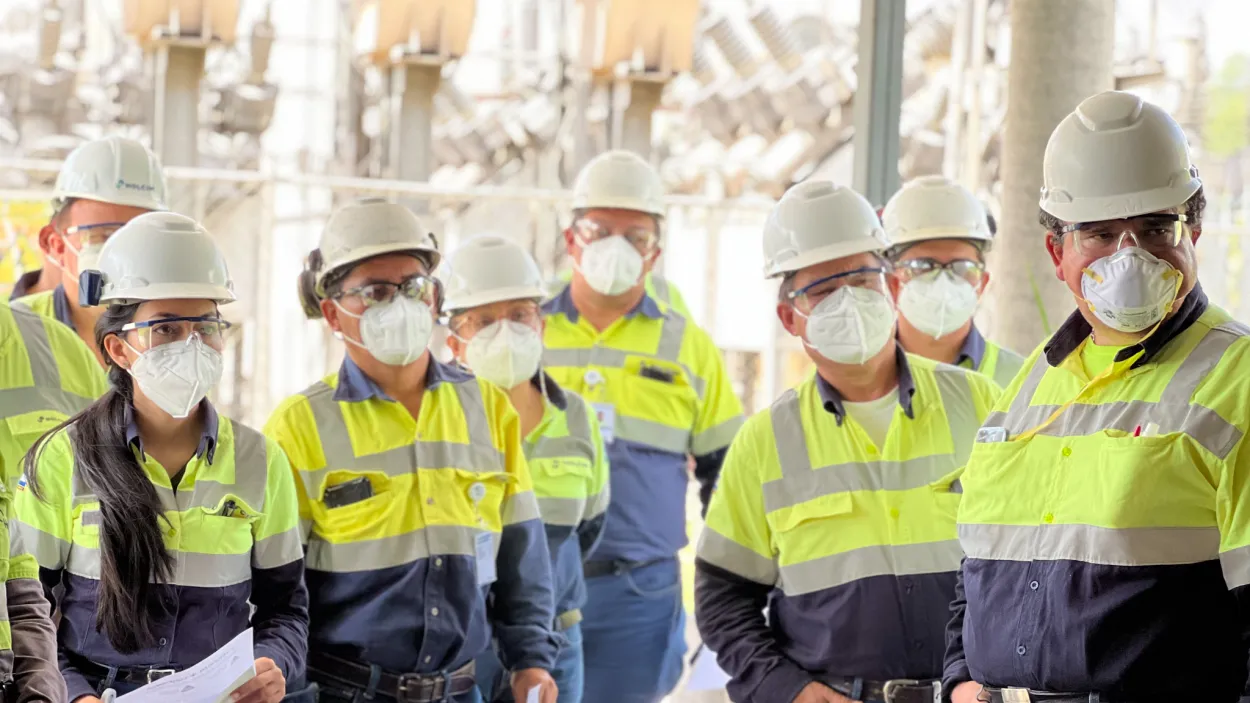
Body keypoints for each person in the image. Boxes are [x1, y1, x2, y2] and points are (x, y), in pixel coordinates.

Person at [943, 91, 1250, 703]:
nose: (1129, 257)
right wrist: (958, 681)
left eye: (1156, 228)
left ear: (1193, 230)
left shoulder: (1237, 378)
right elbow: (977, 571)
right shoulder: (1034, 381)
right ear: (1058, 252)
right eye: (1101, 234)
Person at [693, 180, 1001, 703]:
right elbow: (723, 597)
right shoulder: (764, 443)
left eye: (861, 279)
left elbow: (1035, 560)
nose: (849, 302)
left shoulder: (980, 404)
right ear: (789, 317)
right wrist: (785, 688)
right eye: (822, 290)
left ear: (892, 287)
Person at [265, 199, 560, 703]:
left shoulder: (489, 409)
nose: (400, 304)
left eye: (414, 287)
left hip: (459, 691)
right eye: (376, 292)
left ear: (435, 297)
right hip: (344, 693)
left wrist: (531, 661)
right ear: (333, 313)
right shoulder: (299, 426)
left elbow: (522, 559)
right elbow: (276, 594)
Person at [11, 212, 309, 703]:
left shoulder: (261, 462)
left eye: (206, 327)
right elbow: (26, 613)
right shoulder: (61, 459)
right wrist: (75, 695)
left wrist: (273, 665)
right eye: (166, 328)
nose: (192, 346)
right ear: (118, 348)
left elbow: (286, 612)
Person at [544, 149, 745, 702]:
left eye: (635, 235)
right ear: (571, 240)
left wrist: (734, 590)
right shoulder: (523, 328)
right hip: (531, 587)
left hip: (638, 593)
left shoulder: (687, 346)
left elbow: (729, 478)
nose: (616, 247)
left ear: (655, 251)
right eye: (599, 230)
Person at [443, 235, 610, 703]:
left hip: (556, 642)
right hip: (461, 647)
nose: (505, 332)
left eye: (519, 315)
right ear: (453, 339)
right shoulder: (432, 422)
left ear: (541, 325)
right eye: (484, 321)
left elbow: (588, 527)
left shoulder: (576, 417)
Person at [13, 135, 168, 368]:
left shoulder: (174, 335)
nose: (122, 253)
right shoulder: (11, 333)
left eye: (140, 235)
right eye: (103, 235)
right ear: (56, 245)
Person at [882, 176, 1025, 389]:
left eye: (961, 268)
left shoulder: (1021, 381)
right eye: (923, 266)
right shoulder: (857, 380)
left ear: (982, 283)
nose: (942, 281)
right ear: (892, 283)